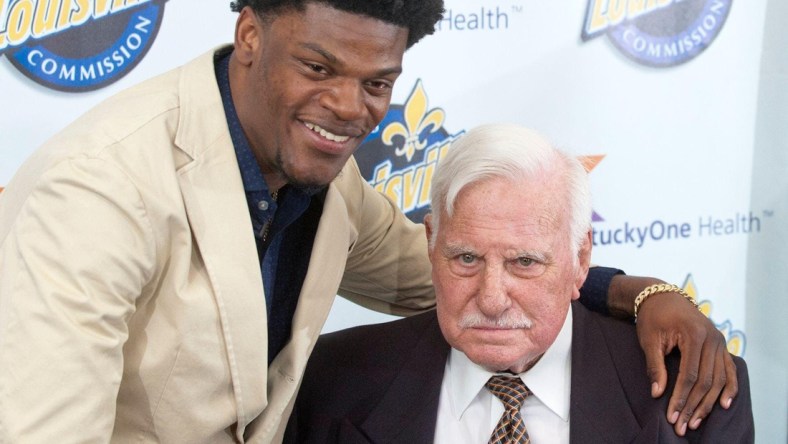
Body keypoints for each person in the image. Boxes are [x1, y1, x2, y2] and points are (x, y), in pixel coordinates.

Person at [0, 1, 735, 442]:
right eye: (318, 69)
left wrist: (635, 292)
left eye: (376, 82)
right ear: (250, 33)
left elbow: (456, 276)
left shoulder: (322, 175)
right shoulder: (98, 191)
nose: (352, 108)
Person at [285, 124, 754, 443]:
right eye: (466, 258)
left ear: (580, 257)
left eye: (525, 262)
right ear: (431, 242)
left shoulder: (695, 391)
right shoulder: (330, 380)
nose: (491, 299)